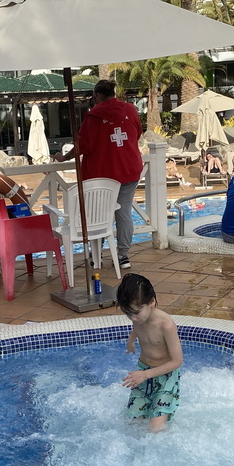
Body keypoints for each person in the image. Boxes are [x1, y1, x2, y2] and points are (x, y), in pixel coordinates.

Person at [54, 79, 143, 269]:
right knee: (124, 212)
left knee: (98, 214)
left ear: (96, 96)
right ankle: (123, 256)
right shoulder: (130, 110)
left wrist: (64, 158)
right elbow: (137, 133)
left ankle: (98, 256)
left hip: (103, 176)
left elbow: (82, 145)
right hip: (130, 170)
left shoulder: (93, 116)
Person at [118, 273, 183, 433]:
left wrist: (145, 375)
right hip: (143, 370)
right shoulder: (138, 318)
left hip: (165, 377)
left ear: (152, 302)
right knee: (132, 422)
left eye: (136, 312)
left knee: (156, 428)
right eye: (128, 314)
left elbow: (177, 361)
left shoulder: (166, 325)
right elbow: (136, 329)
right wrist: (131, 340)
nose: (132, 318)